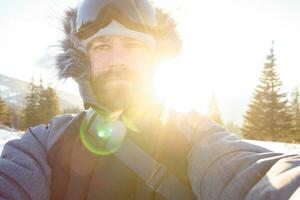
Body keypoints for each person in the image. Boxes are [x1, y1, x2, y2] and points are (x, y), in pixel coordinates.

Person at [0, 0, 299, 199]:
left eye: (133, 45)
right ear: (83, 61)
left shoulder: (194, 135)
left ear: (155, 58)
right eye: (102, 46)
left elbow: (253, 170)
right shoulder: (46, 141)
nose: (118, 59)